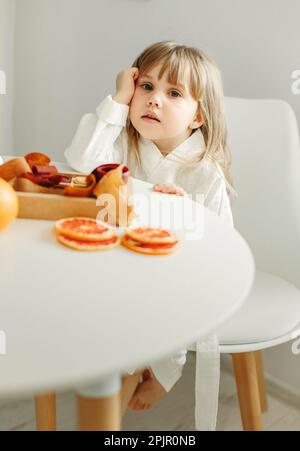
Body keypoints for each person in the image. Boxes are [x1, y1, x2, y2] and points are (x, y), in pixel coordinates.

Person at [65, 41, 234, 416]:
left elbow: (217, 248)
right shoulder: (124, 143)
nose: (154, 100)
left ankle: (162, 370)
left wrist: (182, 214)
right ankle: (117, 364)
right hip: (119, 261)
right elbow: (81, 162)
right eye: (146, 87)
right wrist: (119, 98)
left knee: (163, 300)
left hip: (177, 274)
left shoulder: (205, 172)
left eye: (173, 93)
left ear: (198, 118)